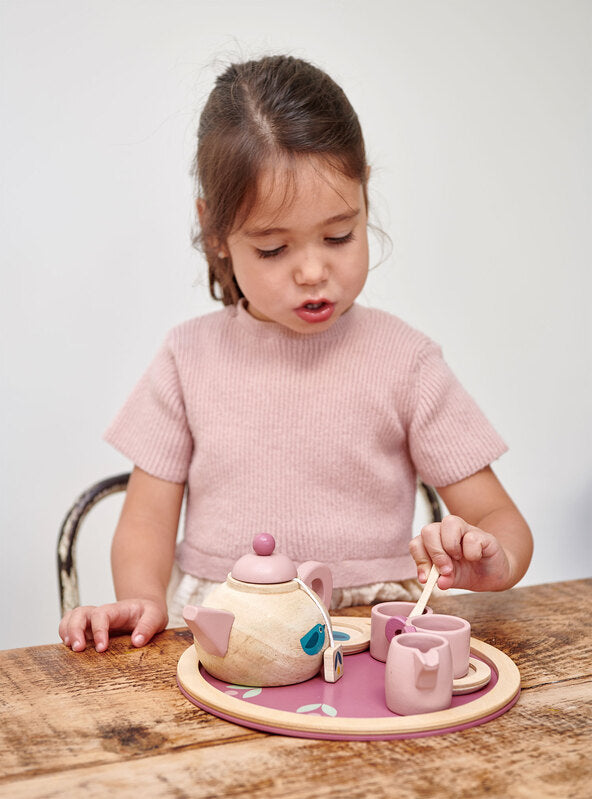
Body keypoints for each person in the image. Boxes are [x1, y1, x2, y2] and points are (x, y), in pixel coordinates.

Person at [59, 55, 533, 653]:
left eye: (339, 236)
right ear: (215, 234)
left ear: (365, 202)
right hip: (226, 638)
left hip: (370, 636)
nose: (314, 271)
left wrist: (493, 559)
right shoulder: (187, 358)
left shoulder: (405, 361)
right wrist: (145, 599)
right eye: (274, 248)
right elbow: (147, 521)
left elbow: (501, 520)